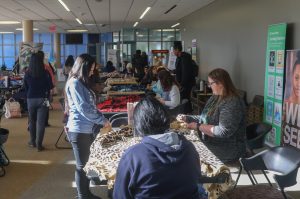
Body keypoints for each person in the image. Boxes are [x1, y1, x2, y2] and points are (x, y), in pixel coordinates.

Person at [113, 96, 201, 199]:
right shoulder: (189, 148)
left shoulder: (133, 156)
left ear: (139, 124)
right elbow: (196, 180)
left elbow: (120, 196)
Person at [65, 54, 109, 199]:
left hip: (86, 128)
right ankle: (82, 195)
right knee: (81, 166)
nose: (92, 72)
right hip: (79, 129)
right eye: (90, 69)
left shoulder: (80, 82)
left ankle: (85, 193)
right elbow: (84, 108)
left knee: (85, 164)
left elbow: (89, 105)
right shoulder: (75, 83)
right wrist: (102, 120)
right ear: (83, 67)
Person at [178, 68, 246, 162]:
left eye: (210, 83)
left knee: (187, 151)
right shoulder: (215, 97)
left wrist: (198, 126)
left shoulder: (232, 103)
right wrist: (188, 118)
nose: (209, 86)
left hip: (228, 149)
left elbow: (223, 131)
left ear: (221, 83)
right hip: (211, 142)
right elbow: (205, 118)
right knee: (183, 143)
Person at [24, 53, 53, 151]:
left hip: (30, 99)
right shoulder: (45, 73)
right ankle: (39, 145)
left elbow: (25, 88)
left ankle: (32, 142)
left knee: (32, 121)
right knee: (41, 123)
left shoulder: (27, 73)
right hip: (44, 99)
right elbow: (50, 87)